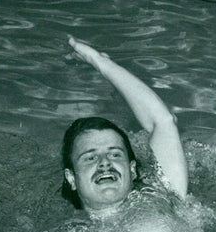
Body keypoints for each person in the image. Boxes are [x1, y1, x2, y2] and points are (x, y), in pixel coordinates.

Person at [61, 36, 188, 216]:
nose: (105, 163)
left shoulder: (166, 204)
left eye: (115, 154)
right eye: (90, 157)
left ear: (132, 170)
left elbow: (162, 122)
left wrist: (100, 61)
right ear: (71, 178)